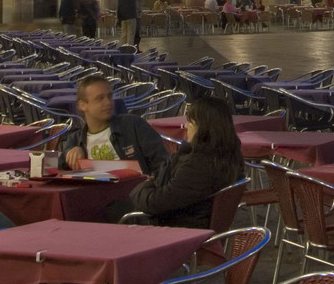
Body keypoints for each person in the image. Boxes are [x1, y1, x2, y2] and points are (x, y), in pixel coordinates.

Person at [127, 96, 246, 226]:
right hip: (199, 222)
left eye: (190, 122)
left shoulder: (199, 165)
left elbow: (156, 202)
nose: (186, 126)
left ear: (203, 128)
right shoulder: (230, 155)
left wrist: (142, 186)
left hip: (178, 230)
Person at [57, 75, 167, 175]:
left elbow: (163, 164)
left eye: (109, 97)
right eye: (100, 98)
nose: (108, 102)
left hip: (134, 193)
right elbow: (60, 169)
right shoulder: (76, 140)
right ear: (83, 105)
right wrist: (69, 154)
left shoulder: (133, 126)